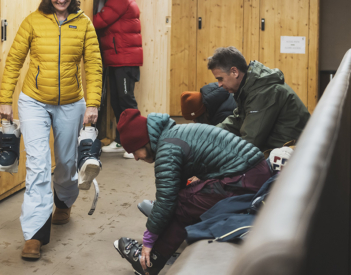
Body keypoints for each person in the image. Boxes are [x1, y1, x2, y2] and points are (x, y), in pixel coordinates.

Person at [0, 0, 103, 260]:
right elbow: (15, 61)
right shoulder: (33, 21)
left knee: (67, 163)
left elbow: (94, 65)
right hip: (34, 101)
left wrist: (92, 103)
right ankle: (34, 235)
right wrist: (5, 99)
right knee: (39, 166)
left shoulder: (83, 23)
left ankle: (64, 202)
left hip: (71, 102)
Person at [113, 109, 272, 275]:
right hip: (252, 173)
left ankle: (149, 262)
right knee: (185, 197)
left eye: (134, 151)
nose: (136, 158)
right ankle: (157, 252)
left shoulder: (167, 149)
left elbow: (167, 200)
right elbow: (174, 189)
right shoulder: (172, 135)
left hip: (243, 180)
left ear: (143, 141)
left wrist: (148, 239)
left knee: (183, 204)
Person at [208, 46, 310, 151]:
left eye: (220, 79)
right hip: (278, 149)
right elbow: (237, 120)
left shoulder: (263, 91)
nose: (219, 85)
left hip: (292, 155)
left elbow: (250, 142)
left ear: (234, 72)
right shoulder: (250, 87)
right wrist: (208, 134)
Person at [93, 0, 143, 159]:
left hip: (124, 59)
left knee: (126, 101)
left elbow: (99, 21)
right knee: (117, 101)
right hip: (118, 58)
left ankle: (138, 143)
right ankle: (122, 141)